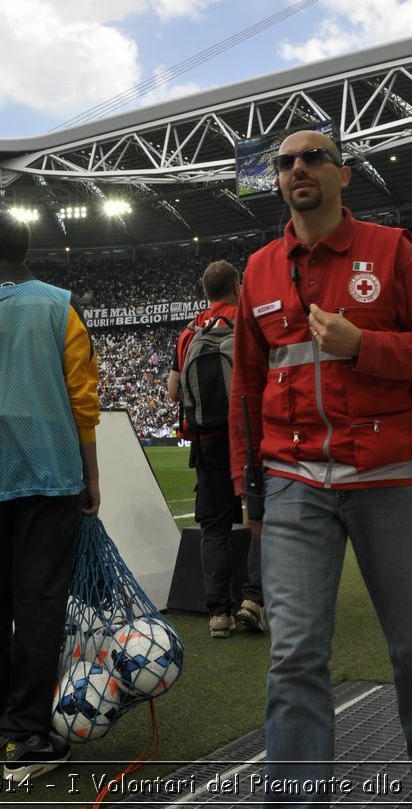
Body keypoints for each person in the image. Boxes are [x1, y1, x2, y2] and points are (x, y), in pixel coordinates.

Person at [228, 128, 412, 808]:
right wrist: (250, 484)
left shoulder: (388, 250)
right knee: (295, 654)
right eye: (284, 163)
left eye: (312, 158)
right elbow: (247, 385)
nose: (297, 168)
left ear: (343, 175)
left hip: (386, 478)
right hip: (294, 481)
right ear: (276, 181)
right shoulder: (258, 269)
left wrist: (363, 344)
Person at [0, 212, 100, 781]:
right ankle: (26, 733)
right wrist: (91, 474)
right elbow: (83, 396)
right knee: (39, 601)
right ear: (25, 249)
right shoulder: (61, 305)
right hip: (52, 471)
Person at [168, 261, 264, 639]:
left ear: (205, 291)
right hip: (249, 438)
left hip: (206, 443)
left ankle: (218, 615)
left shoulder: (188, 332)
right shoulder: (248, 323)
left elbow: (175, 392)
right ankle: (252, 601)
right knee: (261, 520)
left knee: (214, 528)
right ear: (237, 287)